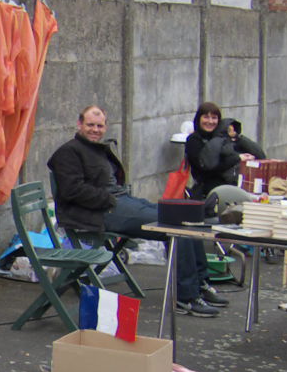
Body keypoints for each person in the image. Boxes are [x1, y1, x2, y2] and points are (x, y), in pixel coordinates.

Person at [48, 106, 226, 317]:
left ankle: (201, 284)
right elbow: (71, 190)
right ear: (79, 125)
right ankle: (186, 297)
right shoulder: (68, 153)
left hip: (121, 201)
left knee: (187, 219)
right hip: (101, 211)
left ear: (105, 127)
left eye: (99, 125)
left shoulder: (97, 148)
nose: (95, 130)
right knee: (176, 226)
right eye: (90, 125)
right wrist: (108, 199)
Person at [184, 101, 260, 199]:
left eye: (214, 118)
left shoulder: (223, 138)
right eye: (206, 117)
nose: (210, 121)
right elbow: (207, 169)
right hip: (209, 190)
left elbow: (259, 154)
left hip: (234, 185)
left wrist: (238, 137)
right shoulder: (194, 140)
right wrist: (237, 158)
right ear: (199, 119)